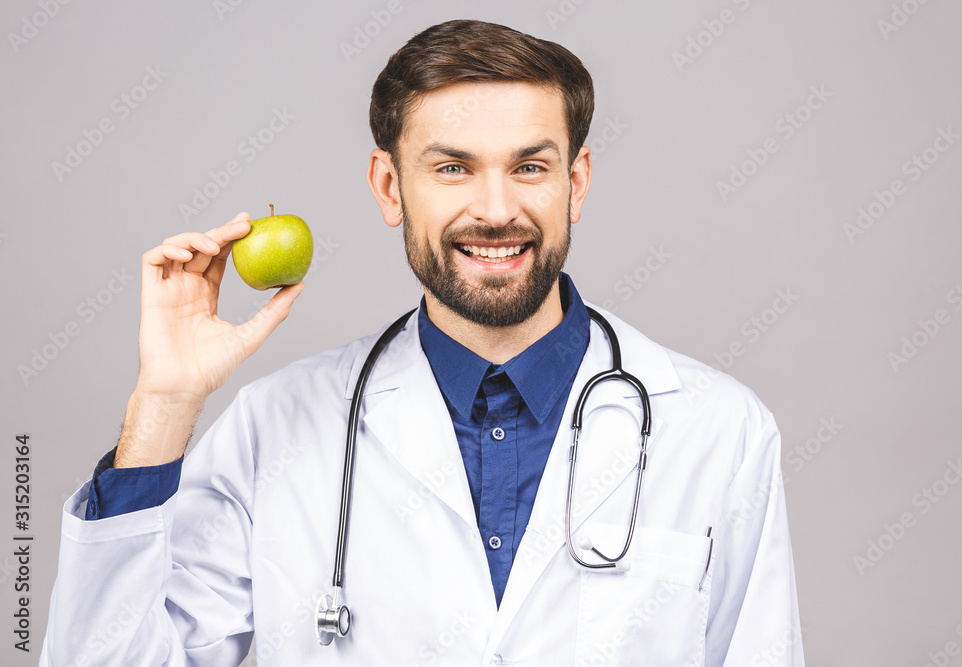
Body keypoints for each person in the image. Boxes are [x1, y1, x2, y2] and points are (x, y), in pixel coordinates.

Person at [41, 19, 804, 666]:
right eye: (452, 168)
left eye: (530, 167)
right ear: (388, 187)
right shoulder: (273, 428)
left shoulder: (718, 429)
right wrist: (163, 405)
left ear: (576, 183)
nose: (496, 209)